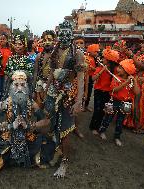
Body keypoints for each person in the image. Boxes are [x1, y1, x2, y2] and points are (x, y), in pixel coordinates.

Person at [0, 71, 58, 189]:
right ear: (10, 86)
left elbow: (46, 121)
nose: (19, 88)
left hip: (28, 138)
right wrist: (10, 126)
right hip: (6, 139)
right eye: (16, 85)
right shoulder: (5, 103)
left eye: (23, 84)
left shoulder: (32, 103)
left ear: (27, 86)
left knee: (52, 148)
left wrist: (30, 126)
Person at [45, 20, 86, 178]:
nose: (63, 35)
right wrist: (46, 90)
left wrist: (79, 101)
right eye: (61, 31)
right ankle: (57, 152)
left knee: (66, 130)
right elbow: (51, 73)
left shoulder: (77, 53)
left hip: (69, 94)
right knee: (53, 125)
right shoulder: (55, 51)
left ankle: (65, 161)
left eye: (67, 32)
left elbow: (81, 79)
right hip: (53, 93)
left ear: (72, 34)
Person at [98, 59, 140, 146]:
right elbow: (113, 90)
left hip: (126, 103)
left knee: (120, 121)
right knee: (108, 117)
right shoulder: (116, 77)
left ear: (127, 71)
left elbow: (137, 92)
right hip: (114, 101)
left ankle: (117, 137)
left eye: (121, 68)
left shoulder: (131, 81)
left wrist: (135, 81)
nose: (118, 69)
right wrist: (125, 83)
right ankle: (102, 131)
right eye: (119, 67)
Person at [89, 47, 120, 135]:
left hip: (108, 93)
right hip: (99, 92)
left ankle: (99, 127)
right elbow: (93, 78)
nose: (102, 59)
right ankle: (93, 127)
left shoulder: (115, 71)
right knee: (97, 110)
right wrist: (102, 70)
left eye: (104, 58)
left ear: (109, 61)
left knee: (104, 111)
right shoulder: (100, 68)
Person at [33, 30, 56, 108]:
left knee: (50, 109)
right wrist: (34, 89)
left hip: (53, 85)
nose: (47, 42)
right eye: (44, 40)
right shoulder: (39, 56)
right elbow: (35, 73)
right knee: (40, 107)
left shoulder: (57, 55)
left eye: (49, 40)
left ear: (54, 41)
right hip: (41, 84)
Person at [0, 33, 12, 104]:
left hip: (6, 73)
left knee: (5, 89)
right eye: (1, 39)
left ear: (7, 40)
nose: (2, 40)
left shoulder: (10, 50)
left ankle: (3, 103)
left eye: (4, 39)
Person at [84, 44, 100, 112]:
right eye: (95, 52)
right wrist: (97, 69)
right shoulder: (86, 58)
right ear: (90, 51)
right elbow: (90, 67)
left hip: (91, 77)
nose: (97, 53)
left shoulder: (94, 58)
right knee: (85, 91)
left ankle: (86, 105)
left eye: (97, 52)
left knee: (89, 92)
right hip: (86, 77)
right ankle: (83, 105)